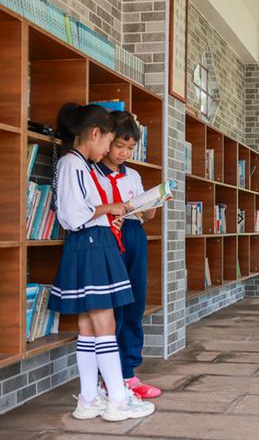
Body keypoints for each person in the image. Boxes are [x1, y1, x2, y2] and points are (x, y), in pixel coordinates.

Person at [48, 103, 154, 421]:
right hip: (92, 246)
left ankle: (89, 398)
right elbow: (74, 215)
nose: (110, 149)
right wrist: (110, 209)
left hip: (94, 244)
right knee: (104, 325)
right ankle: (118, 399)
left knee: (89, 327)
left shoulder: (76, 163)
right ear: (95, 134)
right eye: (109, 142)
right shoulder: (74, 165)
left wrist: (111, 211)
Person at [92, 111, 160, 399]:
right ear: (106, 140)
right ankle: (108, 375)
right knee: (113, 307)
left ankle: (128, 373)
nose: (124, 153)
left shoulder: (133, 174)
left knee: (134, 303)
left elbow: (148, 214)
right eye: (120, 146)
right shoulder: (92, 172)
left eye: (130, 148)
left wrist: (151, 206)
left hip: (134, 235)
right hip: (108, 239)